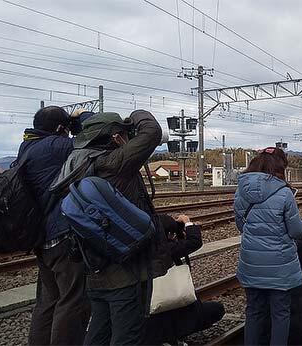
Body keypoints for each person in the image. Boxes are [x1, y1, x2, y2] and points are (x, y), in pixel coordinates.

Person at [51, 110, 162, 345]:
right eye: (124, 133)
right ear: (116, 137)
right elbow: (152, 131)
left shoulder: (78, 163)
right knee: (127, 336)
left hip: (94, 265)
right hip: (125, 270)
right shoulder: (115, 162)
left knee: (99, 333)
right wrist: (135, 115)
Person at [18, 106, 88, 345]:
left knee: (48, 301)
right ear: (60, 129)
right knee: (72, 301)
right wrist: (82, 118)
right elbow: (89, 142)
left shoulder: (28, 146)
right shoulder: (56, 147)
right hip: (62, 236)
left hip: (42, 238)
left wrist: (70, 123)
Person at [233, 147, 302, 346]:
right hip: (280, 265)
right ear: (280, 167)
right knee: (280, 312)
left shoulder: (241, 190)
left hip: (251, 262)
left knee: (254, 310)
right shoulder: (284, 193)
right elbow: (297, 231)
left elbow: (241, 225)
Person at [142, 214, 225, 345]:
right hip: (173, 315)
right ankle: (173, 337)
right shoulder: (166, 249)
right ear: (169, 234)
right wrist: (187, 223)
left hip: (148, 320)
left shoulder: (144, 249)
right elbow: (194, 242)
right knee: (216, 309)